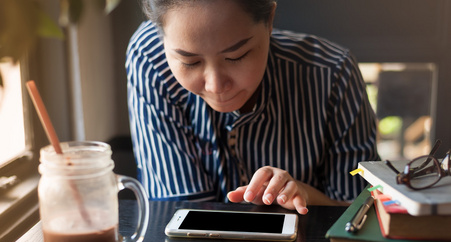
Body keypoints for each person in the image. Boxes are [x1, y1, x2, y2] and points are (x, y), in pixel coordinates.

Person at [126, 0, 379, 215]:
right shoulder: (151, 58)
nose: (215, 86)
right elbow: (180, 213)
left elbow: (358, 212)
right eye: (189, 62)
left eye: (236, 56)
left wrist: (303, 194)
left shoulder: (332, 74)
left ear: (269, 19)